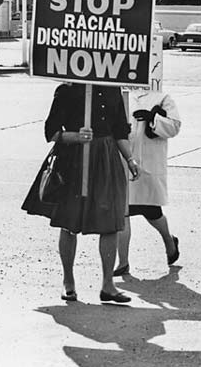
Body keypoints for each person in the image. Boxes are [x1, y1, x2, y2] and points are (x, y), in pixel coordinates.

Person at [22, 83, 140, 304]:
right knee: (69, 221)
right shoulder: (67, 88)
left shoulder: (112, 87)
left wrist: (130, 159)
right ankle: (68, 282)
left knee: (111, 222)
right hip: (74, 159)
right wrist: (75, 136)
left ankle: (108, 286)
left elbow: (119, 131)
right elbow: (52, 132)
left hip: (106, 158)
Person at [113, 88, 181, 276]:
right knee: (122, 211)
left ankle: (169, 240)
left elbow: (174, 127)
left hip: (150, 162)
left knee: (151, 210)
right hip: (124, 158)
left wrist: (154, 119)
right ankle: (123, 262)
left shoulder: (162, 97)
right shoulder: (122, 93)